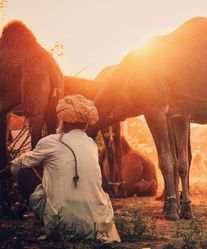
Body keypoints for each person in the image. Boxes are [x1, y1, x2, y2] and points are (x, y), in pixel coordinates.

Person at [0, 95, 120, 242]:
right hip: (98, 226)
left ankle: (51, 223)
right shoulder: (91, 144)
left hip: (62, 224)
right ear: (85, 124)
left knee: (24, 170)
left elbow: (18, 165)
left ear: (65, 122)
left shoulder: (51, 141)